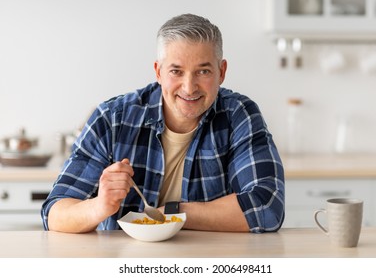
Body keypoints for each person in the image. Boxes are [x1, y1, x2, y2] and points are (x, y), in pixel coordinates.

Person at [41, 13, 285, 234]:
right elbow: (54, 214)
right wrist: (99, 207)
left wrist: (171, 212)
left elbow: (266, 207)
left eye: (203, 71)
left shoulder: (238, 115)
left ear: (222, 72)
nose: (189, 88)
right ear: (158, 72)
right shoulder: (112, 118)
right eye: (176, 71)